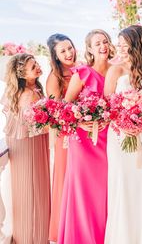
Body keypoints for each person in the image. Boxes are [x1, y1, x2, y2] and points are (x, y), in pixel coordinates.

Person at [104, 25, 142, 244]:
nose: (119, 48)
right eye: (118, 44)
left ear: (136, 44)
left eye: (123, 44)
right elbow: (108, 107)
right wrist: (124, 123)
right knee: (121, 182)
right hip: (119, 136)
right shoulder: (115, 70)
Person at [58, 29, 113, 244]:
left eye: (105, 41)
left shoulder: (118, 72)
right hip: (83, 141)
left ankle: (103, 236)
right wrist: (80, 120)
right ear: (89, 49)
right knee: (83, 190)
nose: (103, 46)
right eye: (97, 43)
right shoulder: (81, 73)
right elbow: (66, 106)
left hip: (108, 139)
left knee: (104, 190)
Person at [1, 53, 50, 244]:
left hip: (33, 143)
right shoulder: (28, 94)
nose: (38, 67)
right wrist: (60, 123)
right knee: (32, 190)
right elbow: (33, 126)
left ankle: (36, 235)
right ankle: (32, 238)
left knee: (36, 189)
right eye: (33, 67)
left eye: (36, 63)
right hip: (28, 146)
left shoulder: (35, 87)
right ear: (22, 74)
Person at [46, 33, 77, 242]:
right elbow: (55, 114)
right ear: (55, 56)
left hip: (87, 133)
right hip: (67, 136)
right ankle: (63, 230)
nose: (68, 53)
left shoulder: (82, 69)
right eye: (63, 51)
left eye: (70, 47)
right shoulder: (54, 78)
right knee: (65, 179)